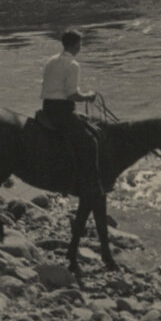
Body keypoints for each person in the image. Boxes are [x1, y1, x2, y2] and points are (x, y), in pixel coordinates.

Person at [40, 29, 104, 197]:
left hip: (47, 107)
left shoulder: (51, 60)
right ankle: (88, 182)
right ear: (76, 45)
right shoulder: (73, 65)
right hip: (62, 110)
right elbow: (72, 95)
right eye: (80, 44)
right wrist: (89, 96)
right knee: (90, 142)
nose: (80, 47)